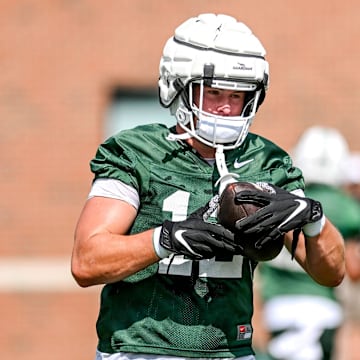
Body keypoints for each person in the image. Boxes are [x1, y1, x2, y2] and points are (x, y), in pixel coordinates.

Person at [71, 14, 345, 360]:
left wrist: (313, 216)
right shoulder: (137, 152)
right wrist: (166, 239)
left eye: (238, 93)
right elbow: (87, 260)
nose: (227, 107)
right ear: (179, 85)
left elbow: (331, 272)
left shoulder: (267, 161)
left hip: (231, 351)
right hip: (142, 349)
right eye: (214, 92)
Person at [257, 126, 360, 360]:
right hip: (321, 308)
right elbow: (352, 270)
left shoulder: (281, 198)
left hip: (277, 306)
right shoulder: (348, 209)